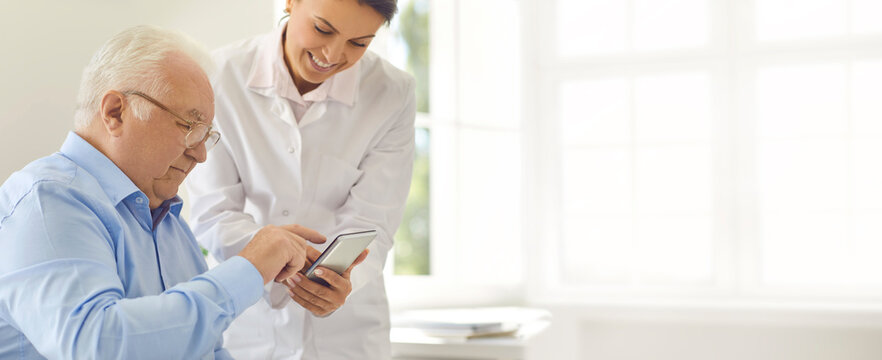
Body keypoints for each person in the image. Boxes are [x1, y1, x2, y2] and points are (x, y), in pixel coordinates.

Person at [0, 25, 327, 359]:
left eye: (206, 135)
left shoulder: (167, 220)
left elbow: (207, 351)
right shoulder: (46, 201)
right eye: (189, 127)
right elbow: (98, 345)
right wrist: (251, 267)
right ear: (115, 112)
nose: (200, 154)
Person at [185, 0, 416, 358]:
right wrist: (276, 257)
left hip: (347, 332)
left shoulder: (392, 93)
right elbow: (213, 210)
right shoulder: (218, 75)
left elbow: (374, 219)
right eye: (323, 29)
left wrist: (342, 281)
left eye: (359, 43)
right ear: (291, 2)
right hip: (248, 321)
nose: (332, 54)